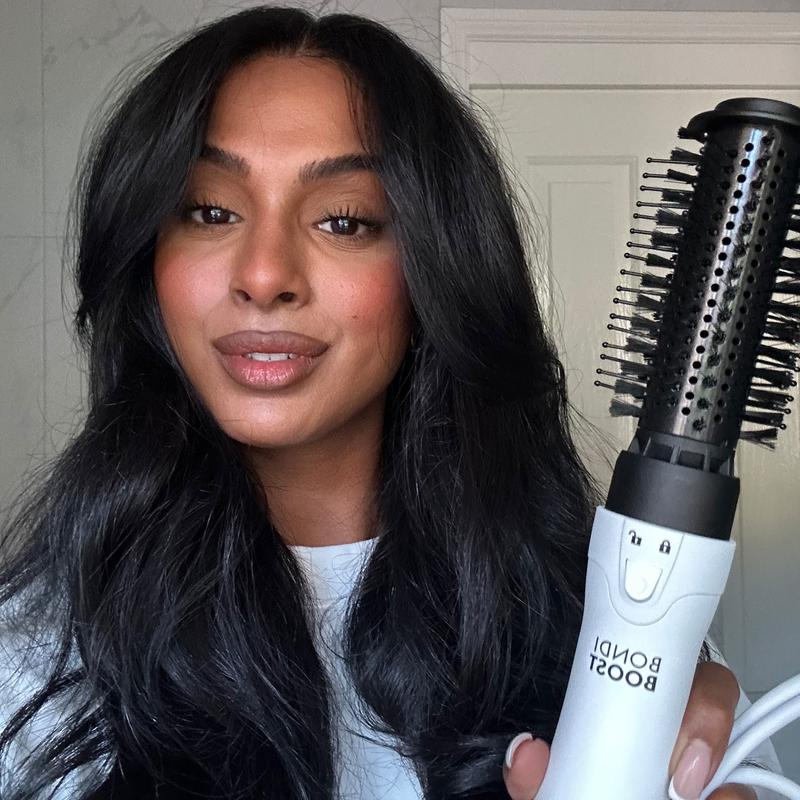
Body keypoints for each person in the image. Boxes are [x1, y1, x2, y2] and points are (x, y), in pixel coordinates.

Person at [0, 5, 782, 800]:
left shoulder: (613, 639)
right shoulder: (29, 663)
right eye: (210, 211)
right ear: (149, 260)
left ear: (435, 271)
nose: (264, 275)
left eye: (344, 220)